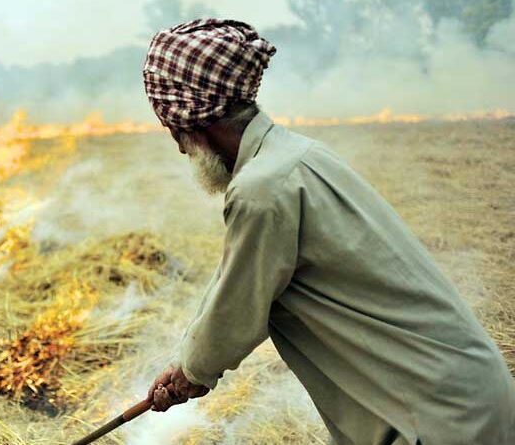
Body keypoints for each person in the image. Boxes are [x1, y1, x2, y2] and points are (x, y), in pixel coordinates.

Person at [142, 18, 515, 445]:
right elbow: (242, 281)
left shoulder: (261, 188)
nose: (178, 146)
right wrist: (188, 363)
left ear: (196, 122)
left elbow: (238, 306)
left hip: (434, 417)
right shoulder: (298, 156)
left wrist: (192, 371)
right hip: (465, 394)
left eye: (175, 131)